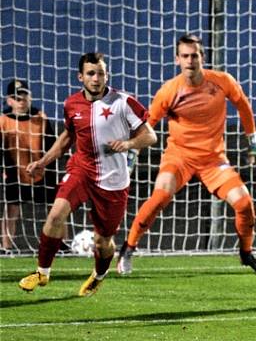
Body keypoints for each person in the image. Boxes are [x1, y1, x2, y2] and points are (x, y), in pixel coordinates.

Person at [116, 34, 256, 275]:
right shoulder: (169, 91)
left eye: (195, 55)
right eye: (185, 56)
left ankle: (246, 253)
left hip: (214, 160)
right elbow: (147, 125)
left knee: (244, 203)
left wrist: (253, 143)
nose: (190, 60)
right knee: (158, 198)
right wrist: (132, 154)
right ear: (177, 59)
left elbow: (243, 105)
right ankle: (127, 249)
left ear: (203, 57)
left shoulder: (222, 81)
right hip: (179, 157)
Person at [18, 52, 157, 295]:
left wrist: (128, 144)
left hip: (114, 180)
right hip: (81, 169)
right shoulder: (71, 104)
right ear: (80, 77)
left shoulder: (123, 102)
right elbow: (67, 138)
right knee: (54, 216)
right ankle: (42, 272)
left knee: (103, 242)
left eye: (100, 73)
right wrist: (43, 161)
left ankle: (99, 274)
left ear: (106, 75)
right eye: (91, 73)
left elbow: (150, 135)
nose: (96, 78)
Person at [1, 79, 57, 252]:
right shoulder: (3, 121)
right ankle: (5, 247)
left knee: (56, 211)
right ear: (9, 100)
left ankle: (60, 245)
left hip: (41, 171)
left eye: (24, 96)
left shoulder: (40, 118)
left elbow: (51, 144)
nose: (21, 100)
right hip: (15, 173)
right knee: (11, 211)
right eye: (17, 98)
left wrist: (49, 168)